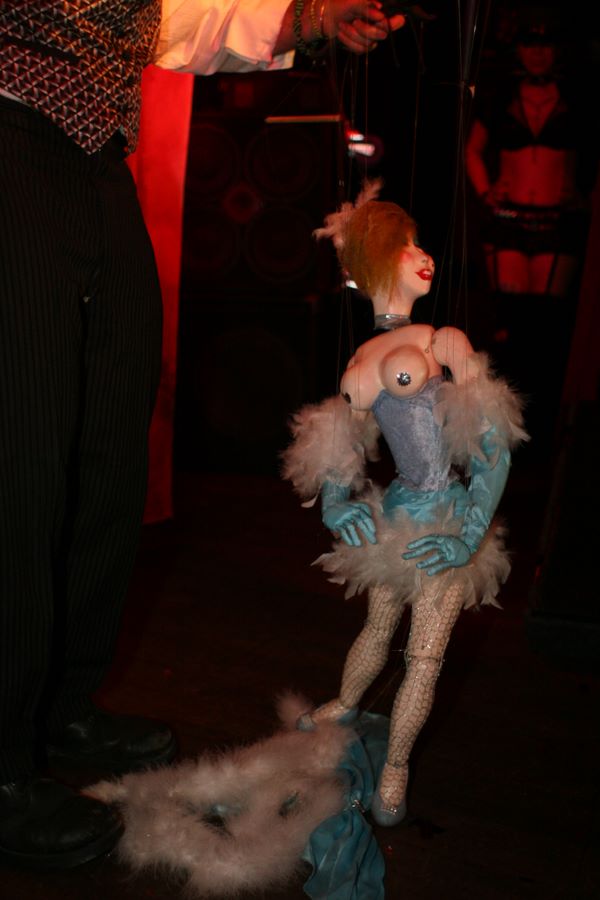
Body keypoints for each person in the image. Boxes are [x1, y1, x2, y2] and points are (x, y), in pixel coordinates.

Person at [0, 0, 405, 872]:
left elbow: (169, 15)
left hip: (94, 154)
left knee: (109, 442)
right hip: (8, 126)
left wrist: (307, 16)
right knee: (20, 457)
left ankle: (60, 703)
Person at [282, 180, 527, 825]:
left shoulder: (444, 341)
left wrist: (469, 533)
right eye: (406, 245)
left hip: (444, 517)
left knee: (425, 654)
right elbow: (341, 436)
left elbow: (493, 445)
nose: (425, 255)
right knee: (377, 625)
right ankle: (345, 704)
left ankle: (396, 765)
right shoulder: (363, 357)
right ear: (372, 262)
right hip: (396, 514)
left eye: (420, 243)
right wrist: (336, 501)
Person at [465, 6, 597, 445]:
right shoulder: (500, 94)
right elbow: (472, 150)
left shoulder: (577, 95)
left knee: (548, 327)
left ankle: (544, 431)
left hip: (557, 222)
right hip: (508, 219)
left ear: (556, 50)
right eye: (529, 43)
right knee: (510, 324)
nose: (537, 53)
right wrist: (486, 192)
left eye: (545, 44)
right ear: (518, 49)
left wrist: (583, 195)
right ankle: (504, 428)